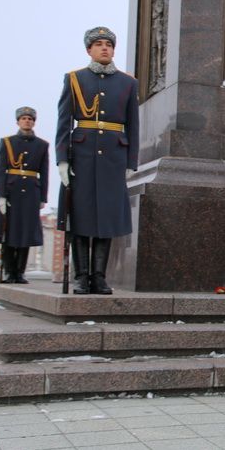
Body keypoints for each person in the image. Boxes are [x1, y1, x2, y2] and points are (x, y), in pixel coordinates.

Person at [55, 27, 139, 295]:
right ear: (88, 49)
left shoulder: (128, 83)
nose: (105, 48)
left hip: (113, 159)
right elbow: (64, 122)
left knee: (107, 219)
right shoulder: (75, 79)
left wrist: (130, 162)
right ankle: (81, 277)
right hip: (81, 157)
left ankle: (99, 277)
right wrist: (62, 161)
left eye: (109, 44)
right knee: (80, 218)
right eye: (98, 44)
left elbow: (133, 127)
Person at [0, 107, 49, 283]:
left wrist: (42, 197)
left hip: (31, 193)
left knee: (26, 232)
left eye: (30, 119)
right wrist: (0, 195)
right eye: (24, 118)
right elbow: (0, 170)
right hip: (11, 192)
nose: (27, 121)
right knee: (8, 232)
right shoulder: (7, 142)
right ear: (18, 121)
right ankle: (10, 271)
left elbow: (44, 172)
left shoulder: (42, 145)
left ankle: (20, 271)